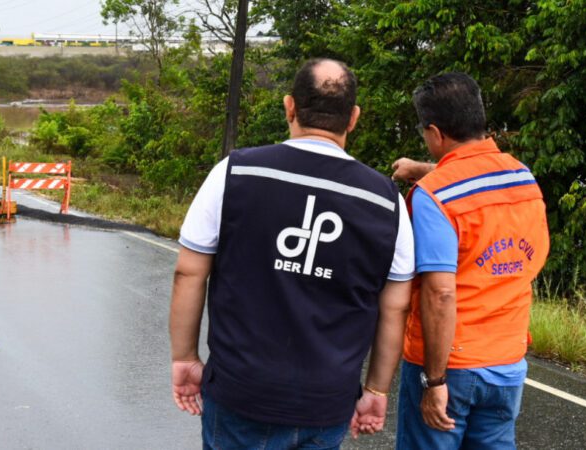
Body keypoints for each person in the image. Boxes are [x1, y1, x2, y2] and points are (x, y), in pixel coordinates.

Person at [169, 58, 415, 449]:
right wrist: (377, 390)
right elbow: (396, 306)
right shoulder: (387, 202)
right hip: (327, 402)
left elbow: (189, 272)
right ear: (353, 118)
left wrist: (184, 358)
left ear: (289, 107)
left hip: (240, 392)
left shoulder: (235, 173)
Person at [392, 72, 550, 449]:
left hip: (453, 367)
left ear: (434, 132)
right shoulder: (522, 178)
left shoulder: (433, 198)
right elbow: (474, 175)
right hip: (508, 363)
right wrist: (421, 168)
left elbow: (440, 295)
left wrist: (434, 381)